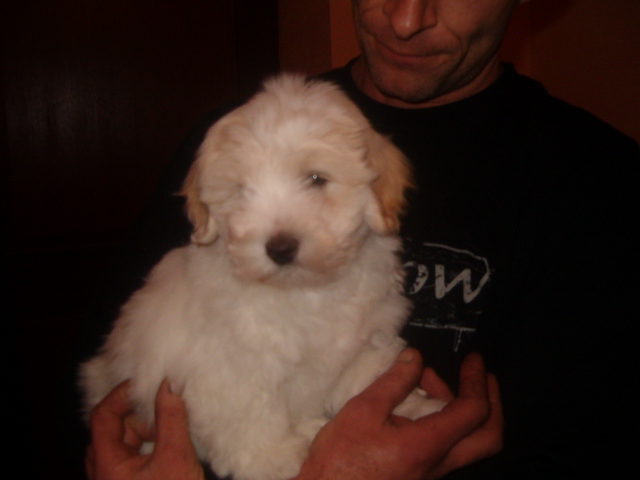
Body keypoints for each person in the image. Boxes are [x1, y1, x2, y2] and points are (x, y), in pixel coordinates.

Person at [72, 0, 639, 479]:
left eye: (316, 180)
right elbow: (103, 389)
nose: (406, 19)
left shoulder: (602, 184)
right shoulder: (224, 138)